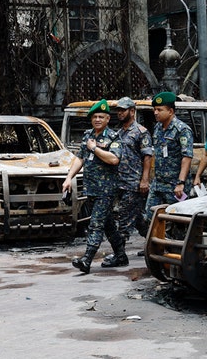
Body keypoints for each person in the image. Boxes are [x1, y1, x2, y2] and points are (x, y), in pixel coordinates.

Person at [62, 99, 124, 274]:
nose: (97, 119)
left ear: (107, 119)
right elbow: (80, 158)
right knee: (108, 224)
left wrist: (95, 149)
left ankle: (87, 260)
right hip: (91, 188)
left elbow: (114, 159)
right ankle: (121, 255)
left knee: (96, 224)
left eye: (101, 117)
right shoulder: (88, 135)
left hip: (106, 190)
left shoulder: (113, 137)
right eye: (94, 116)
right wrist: (68, 178)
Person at [102, 96, 152, 266]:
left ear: (132, 111)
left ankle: (119, 255)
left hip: (133, 183)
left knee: (124, 219)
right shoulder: (118, 132)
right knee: (137, 218)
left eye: (123, 110)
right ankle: (156, 243)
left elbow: (147, 157)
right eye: (118, 110)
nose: (120, 113)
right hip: (119, 182)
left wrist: (144, 180)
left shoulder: (141, 132)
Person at [143, 91, 193, 225]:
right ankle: (162, 244)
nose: (155, 112)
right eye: (154, 109)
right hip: (158, 183)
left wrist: (181, 182)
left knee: (178, 221)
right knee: (150, 217)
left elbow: (187, 157)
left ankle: (177, 245)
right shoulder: (158, 128)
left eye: (159, 110)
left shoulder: (182, 129)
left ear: (170, 111)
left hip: (174, 185)